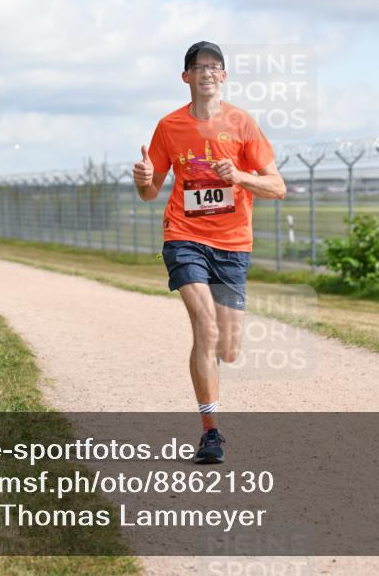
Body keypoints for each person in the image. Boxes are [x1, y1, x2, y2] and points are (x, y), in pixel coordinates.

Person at [133, 41, 286, 464]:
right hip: (183, 235)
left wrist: (238, 175)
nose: (207, 73)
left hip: (233, 243)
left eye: (215, 67)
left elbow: (277, 187)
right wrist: (143, 178)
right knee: (205, 325)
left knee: (229, 347)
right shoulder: (168, 127)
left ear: (224, 76)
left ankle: (215, 377)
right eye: (198, 67)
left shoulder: (241, 123)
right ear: (186, 77)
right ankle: (211, 432)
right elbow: (149, 194)